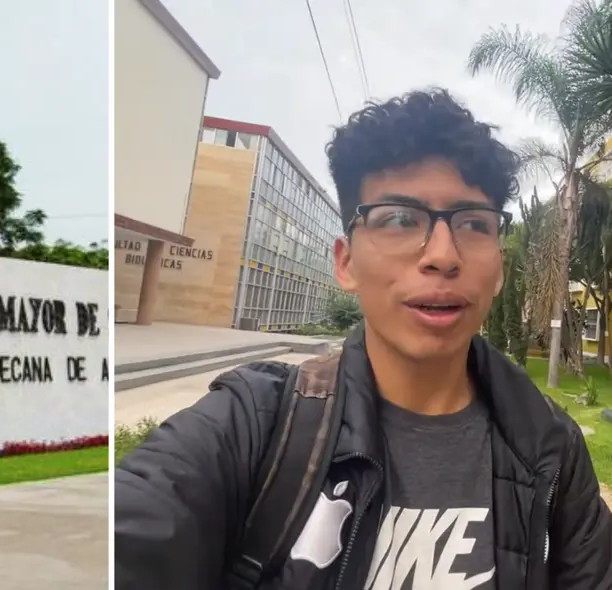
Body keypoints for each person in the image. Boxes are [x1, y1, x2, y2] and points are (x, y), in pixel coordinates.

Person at [114, 88, 612, 590]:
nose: (443, 255)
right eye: (400, 219)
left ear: (499, 268)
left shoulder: (550, 448)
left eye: (473, 224)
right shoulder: (258, 426)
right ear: (346, 262)